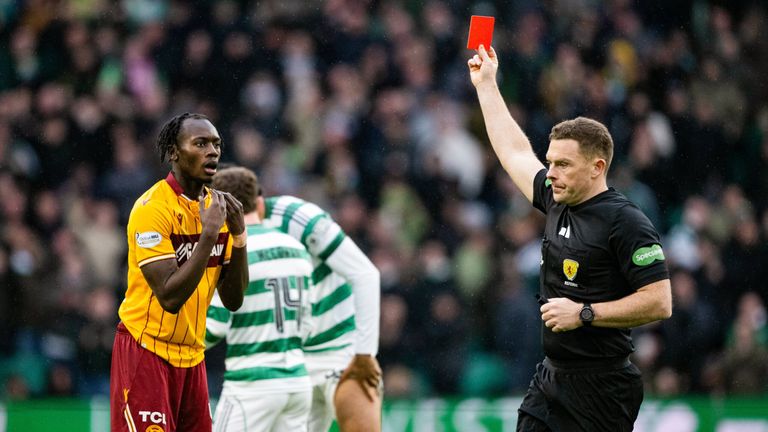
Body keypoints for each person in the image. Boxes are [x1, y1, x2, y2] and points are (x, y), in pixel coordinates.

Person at [468, 46, 673, 431]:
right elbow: (513, 150)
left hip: (603, 388)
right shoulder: (556, 197)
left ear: (597, 168)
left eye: (563, 164)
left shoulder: (626, 222)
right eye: (550, 162)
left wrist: (585, 313)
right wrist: (486, 85)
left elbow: (660, 302)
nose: (551, 173)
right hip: (551, 378)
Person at [110, 113, 248, 432]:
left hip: (191, 356)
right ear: (174, 151)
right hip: (146, 349)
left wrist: (239, 238)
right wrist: (209, 236)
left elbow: (233, 299)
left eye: (216, 144)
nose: (212, 151)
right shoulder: (152, 209)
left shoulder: (218, 209)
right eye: (200, 143)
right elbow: (170, 296)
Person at [262, 193, 382, 431]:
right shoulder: (216, 236)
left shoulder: (295, 216)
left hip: (339, 349)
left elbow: (366, 275)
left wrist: (364, 354)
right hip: (290, 357)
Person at [206, 166, 314, 431]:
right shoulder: (296, 248)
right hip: (297, 381)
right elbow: (309, 325)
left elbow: (214, 327)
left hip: (252, 385)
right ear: (257, 201)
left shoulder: (232, 249)